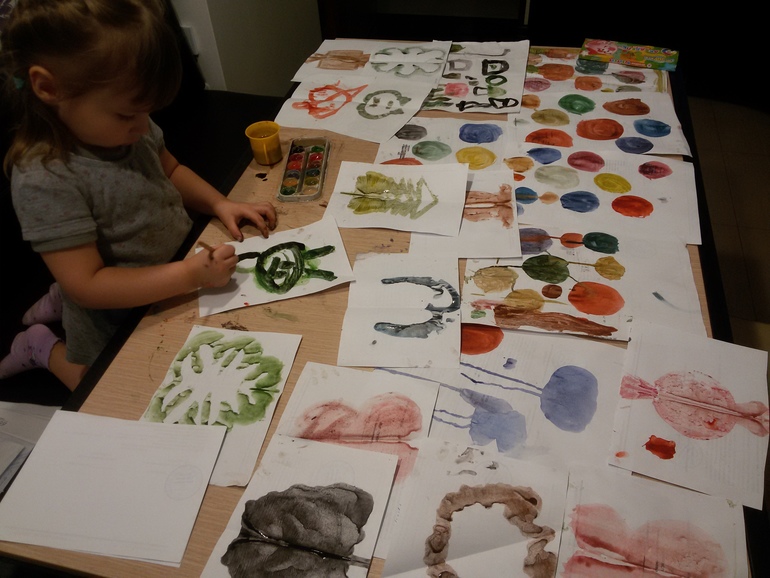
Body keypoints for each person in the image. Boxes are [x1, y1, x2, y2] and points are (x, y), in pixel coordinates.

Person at [0, 0, 277, 391]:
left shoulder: (127, 125)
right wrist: (188, 275)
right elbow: (88, 286)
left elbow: (171, 170)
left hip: (171, 273)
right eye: (127, 114)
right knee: (97, 387)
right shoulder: (45, 178)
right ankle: (41, 346)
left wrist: (221, 203)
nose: (144, 126)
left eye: (147, 112)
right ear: (49, 88)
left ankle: (59, 294)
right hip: (113, 312)